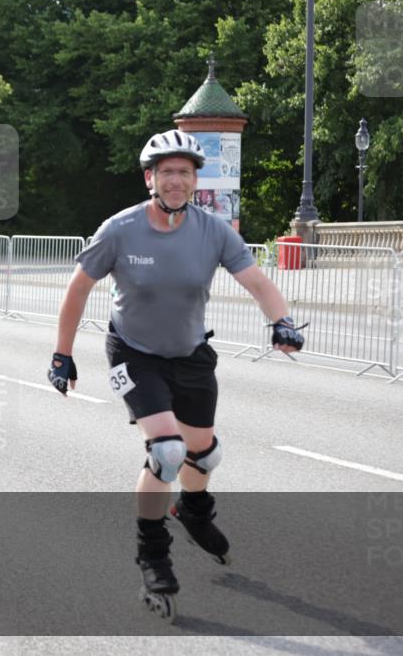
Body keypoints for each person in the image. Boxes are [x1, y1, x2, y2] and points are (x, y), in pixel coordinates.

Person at [47, 129, 306, 616]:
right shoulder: (120, 229)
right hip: (133, 353)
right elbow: (78, 288)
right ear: (150, 178)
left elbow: (257, 280)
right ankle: (153, 555)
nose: (175, 180)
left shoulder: (212, 230)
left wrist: (282, 322)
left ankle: (194, 509)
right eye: (166, 172)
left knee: (204, 457)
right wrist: (63, 355)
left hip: (190, 355)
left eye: (184, 172)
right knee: (167, 451)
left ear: (194, 181)